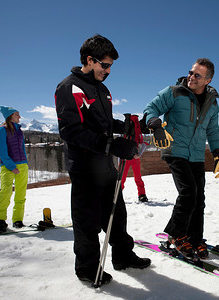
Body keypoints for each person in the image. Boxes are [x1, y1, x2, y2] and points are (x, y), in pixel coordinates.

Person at [54, 34, 151, 286]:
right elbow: (71, 131)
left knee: (117, 215)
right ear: (89, 60)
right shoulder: (69, 87)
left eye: (110, 67)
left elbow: (105, 124)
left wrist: (136, 125)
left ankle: (123, 256)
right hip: (85, 165)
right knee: (87, 220)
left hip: (105, 164)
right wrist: (110, 144)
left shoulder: (102, 88)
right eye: (104, 65)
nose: (108, 71)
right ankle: (87, 268)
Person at [144, 58, 219, 260]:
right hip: (175, 150)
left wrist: (218, 155)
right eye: (191, 72)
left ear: (208, 80)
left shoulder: (212, 103)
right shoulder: (174, 92)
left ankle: (195, 239)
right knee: (188, 192)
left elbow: (213, 131)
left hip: (196, 155)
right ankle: (177, 236)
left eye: (197, 75)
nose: (191, 77)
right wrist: (155, 125)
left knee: (199, 199)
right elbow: (151, 109)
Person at [0, 106, 29, 233]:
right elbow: (2, 152)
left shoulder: (19, 130)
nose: (19, 116)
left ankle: (18, 220)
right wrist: (12, 167)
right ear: (10, 116)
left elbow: (22, 148)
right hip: (8, 166)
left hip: (22, 165)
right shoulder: (2, 131)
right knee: (6, 192)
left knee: (21, 194)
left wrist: (25, 163)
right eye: (17, 114)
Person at [121, 115, 148, 203]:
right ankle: (117, 194)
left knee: (135, 177)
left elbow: (141, 142)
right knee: (123, 177)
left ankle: (142, 194)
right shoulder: (124, 129)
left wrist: (139, 153)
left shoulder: (136, 129)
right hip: (126, 157)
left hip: (131, 157)